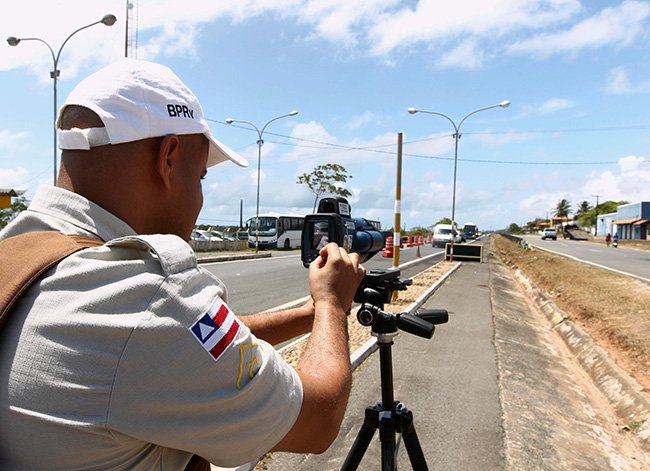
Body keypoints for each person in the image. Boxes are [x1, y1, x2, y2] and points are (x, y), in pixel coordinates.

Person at [0, 59, 365, 469]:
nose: (201, 195)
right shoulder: (144, 300)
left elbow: (190, 339)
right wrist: (333, 306)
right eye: (203, 175)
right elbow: (318, 420)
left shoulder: (22, 250)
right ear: (168, 158)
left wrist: (309, 313)